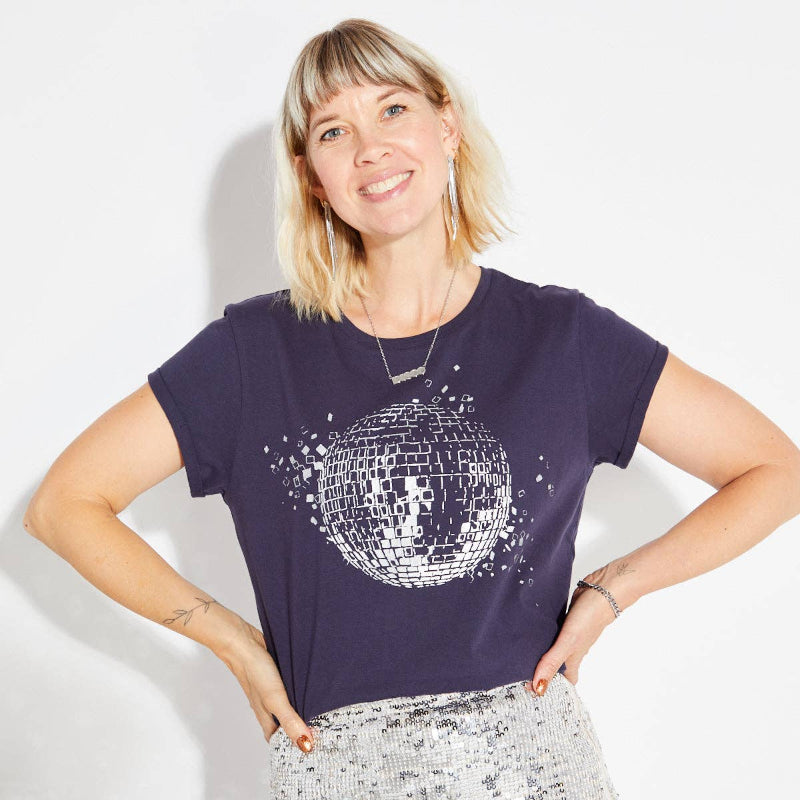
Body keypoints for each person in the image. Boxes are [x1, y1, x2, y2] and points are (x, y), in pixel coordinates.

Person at [23, 17, 800, 800]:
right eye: (334, 130)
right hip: (335, 771)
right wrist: (232, 643)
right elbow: (65, 506)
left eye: (393, 109)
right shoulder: (251, 354)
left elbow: (775, 469)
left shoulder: (562, 339)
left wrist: (613, 588)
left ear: (447, 125)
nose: (370, 148)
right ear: (311, 175)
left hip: (533, 771)